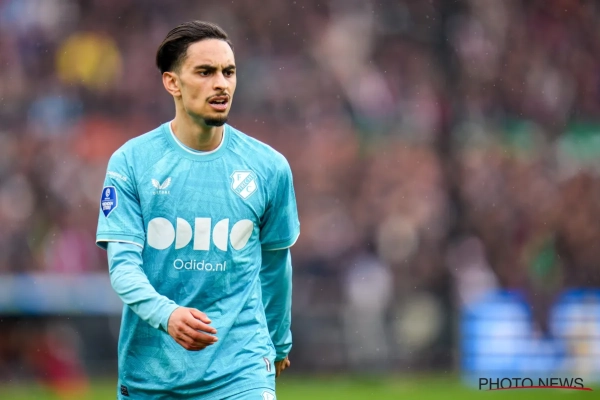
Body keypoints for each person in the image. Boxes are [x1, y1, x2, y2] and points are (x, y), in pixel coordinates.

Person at [95, 20, 300, 400]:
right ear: (172, 83)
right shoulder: (132, 162)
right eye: (205, 72)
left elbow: (275, 265)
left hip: (242, 368)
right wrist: (168, 315)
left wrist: (278, 341)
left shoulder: (269, 168)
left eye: (228, 72)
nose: (221, 83)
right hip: (152, 374)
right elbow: (123, 269)